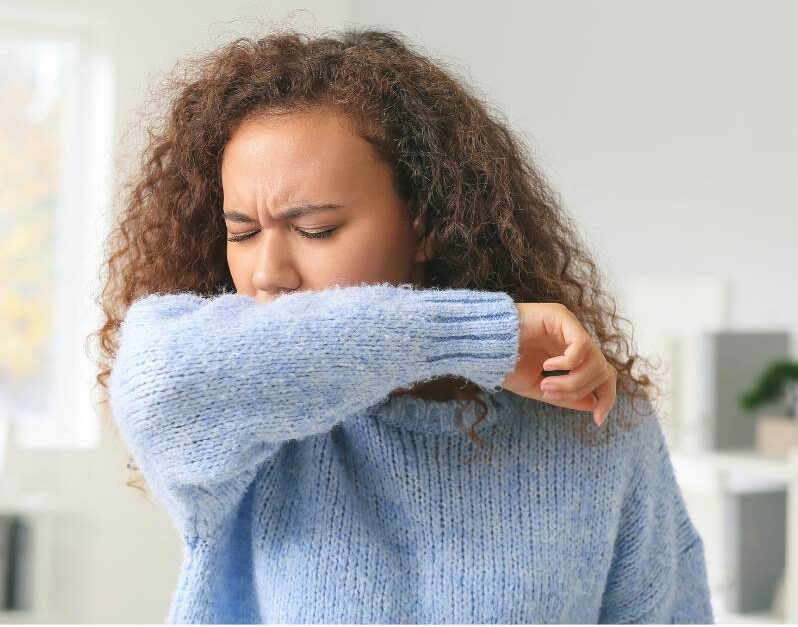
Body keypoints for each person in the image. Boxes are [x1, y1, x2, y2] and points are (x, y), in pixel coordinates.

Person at [95, 26, 713, 624]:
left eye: (316, 230)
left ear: (424, 224)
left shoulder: (594, 424)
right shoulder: (245, 422)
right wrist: (475, 336)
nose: (267, 273)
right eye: (243, 233)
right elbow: (158, 382)